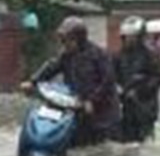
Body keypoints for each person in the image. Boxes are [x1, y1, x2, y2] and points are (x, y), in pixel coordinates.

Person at [22, 17, 120, 147]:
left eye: (67, 40)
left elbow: (108, 81)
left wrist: (92, 100)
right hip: (76, 105)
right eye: (62, 41)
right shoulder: (66, 55)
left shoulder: (99, 55)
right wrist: (33, 81)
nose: (64, 44)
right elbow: (51, 67)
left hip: (102, 113)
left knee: (99, 147)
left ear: (79, 39)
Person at [114, 16, 160, 142]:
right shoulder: (119, 56)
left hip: (145, 107)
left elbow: (157, 78)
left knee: (145, 142)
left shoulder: (150, 55)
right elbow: (113, 76)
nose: (128, 39)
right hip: (125, 108)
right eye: (125, 36)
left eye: (132, 36)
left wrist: (139, 91)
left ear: (140, 36)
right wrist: (117, 88)